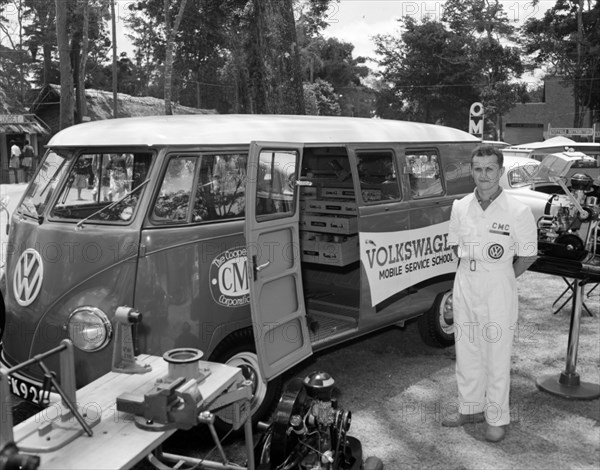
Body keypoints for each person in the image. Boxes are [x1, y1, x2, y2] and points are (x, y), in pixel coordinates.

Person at [443, 145, 538, 443]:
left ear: (500, 171)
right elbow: (454, 245)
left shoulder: (518, 211)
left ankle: (496, 418)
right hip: (464, 281)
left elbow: (527, 255)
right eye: (477, 168)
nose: (483, 175)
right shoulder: (460, 206)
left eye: (489, 169)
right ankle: (469, 408)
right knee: (467, 348)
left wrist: (502, 276)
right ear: (471, 170)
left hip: (498, 284)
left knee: (496, 353)